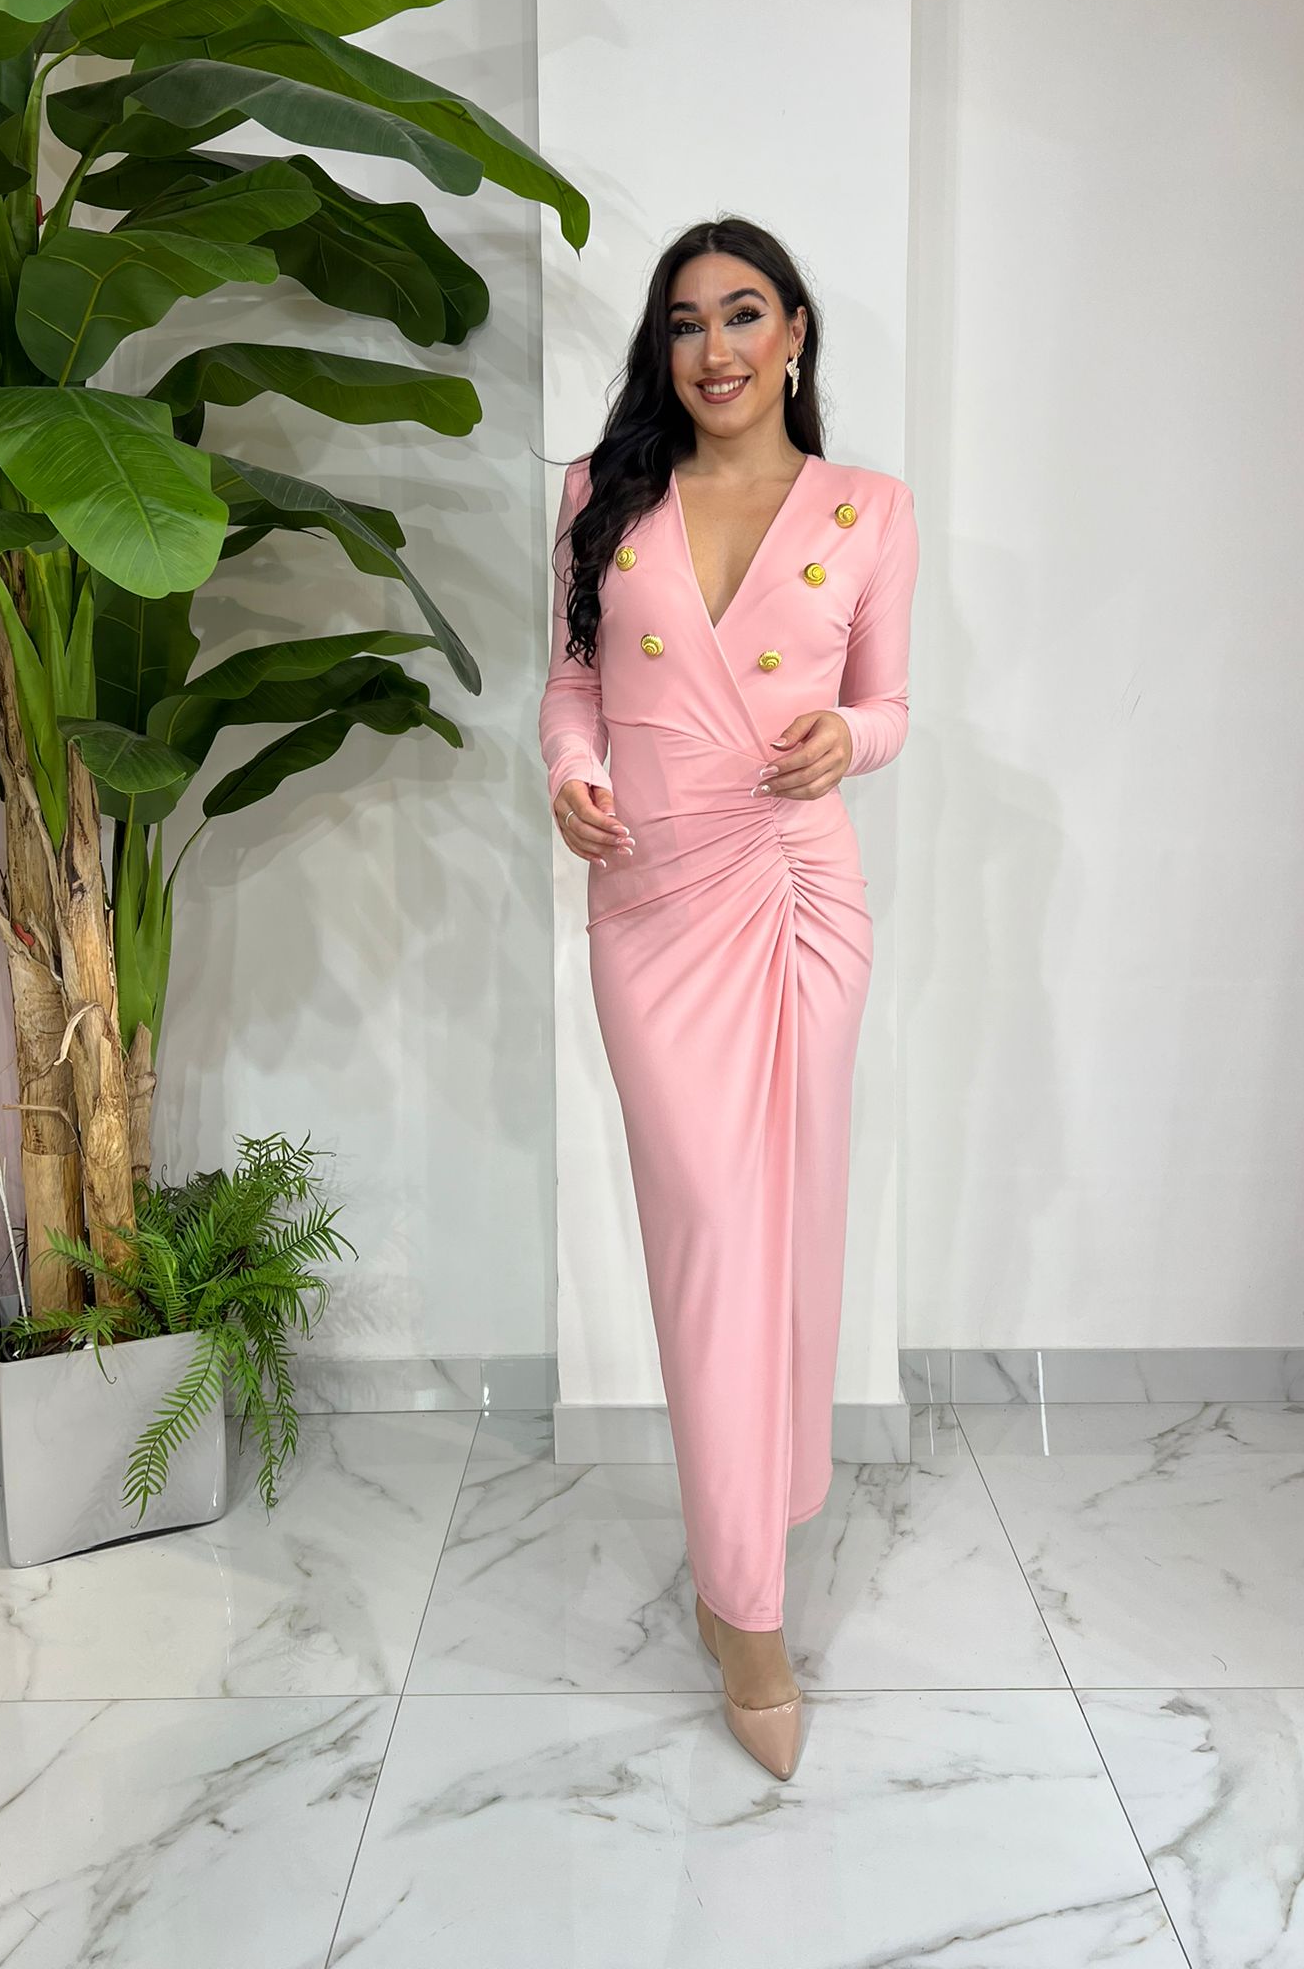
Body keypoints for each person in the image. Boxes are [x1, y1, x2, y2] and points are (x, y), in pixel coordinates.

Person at [537, 216, 918, 1778]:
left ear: (796, 332)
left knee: (788, 1227)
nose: (715, 348)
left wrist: (853, 742)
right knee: (706, 1229)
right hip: (652, 900)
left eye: (744, 314)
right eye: (687, 322)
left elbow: (888, 701)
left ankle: (747, 1561)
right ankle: (740, 1595)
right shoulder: (601, 494)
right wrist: (571, 769)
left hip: (799, 891)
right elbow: (574, 678)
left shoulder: (867, 508)